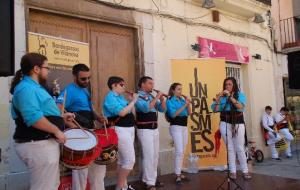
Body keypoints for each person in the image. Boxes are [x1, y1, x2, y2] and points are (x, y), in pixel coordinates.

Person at [10, 53, 73, 190]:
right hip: (37, 145)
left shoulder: (34, 88)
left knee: (51, 185)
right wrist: (57, 130)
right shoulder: (26, 88)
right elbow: (33, 118)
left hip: (43, 144)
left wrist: (61, 118)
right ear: (36, 69)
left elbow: (43, 113)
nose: (48, 71)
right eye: (47, 67)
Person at [57, 64, 107, 190]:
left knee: (98, 171)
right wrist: (74, 128)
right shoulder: (68, 91)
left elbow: (90, 109)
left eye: (88, 78)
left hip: (91, 133)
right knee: (81, 174)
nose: (87, 81)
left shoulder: (85, 89)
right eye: (83, 79)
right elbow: (58, 111)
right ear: (74, 76)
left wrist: (98, 117)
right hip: (80, 135)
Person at [211, 77, 251, 180]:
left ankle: (245, 171)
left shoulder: (240, 95)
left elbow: (240, 107)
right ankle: (233, 171)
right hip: (224, 123)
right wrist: (219, 98)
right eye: (226, 84)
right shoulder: (222, 97)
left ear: (234, 85)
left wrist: (230, 97)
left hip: (238, 123)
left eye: (229, 84)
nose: (227, 86)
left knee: (239, 148)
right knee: (230, 148)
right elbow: (215, 109)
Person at [103, 76, 138, 190]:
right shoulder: (110, 97)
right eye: (122, 85)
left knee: (123, 160)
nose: (124, 87)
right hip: (119, 129)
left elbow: (131, 113)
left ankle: (124, 186)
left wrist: (130, 100)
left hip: (129, 128)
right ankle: (119, 186)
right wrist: (133, 101)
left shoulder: (121, 97)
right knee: (130, 160)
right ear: (114, 85)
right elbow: (122, 113)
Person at [135, 76, 166, 190]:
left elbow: (162, 110)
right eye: (150, 83)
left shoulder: (151, 96)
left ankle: (150, 178)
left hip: (154, 129)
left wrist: (162, 100)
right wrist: (157, 96)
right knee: (149, 155)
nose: (152, 86)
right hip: (144, 129)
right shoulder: (137, 96)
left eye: (153, 83)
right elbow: (146, 109)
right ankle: (150, 183)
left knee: (155, 156)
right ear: (143, 84)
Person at [166, 83, 191, 185]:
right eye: (178, 89)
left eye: (181, 89)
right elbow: (173, 114)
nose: (181, 91)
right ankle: (177, 174)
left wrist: (188, 103)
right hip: (175, 126)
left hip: (184, 126)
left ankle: (179, 172)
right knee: (179, 150)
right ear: (173, 90)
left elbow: (189, 113)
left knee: (183, 150)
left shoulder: (182, 100)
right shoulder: (169, 100)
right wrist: (185, 104)